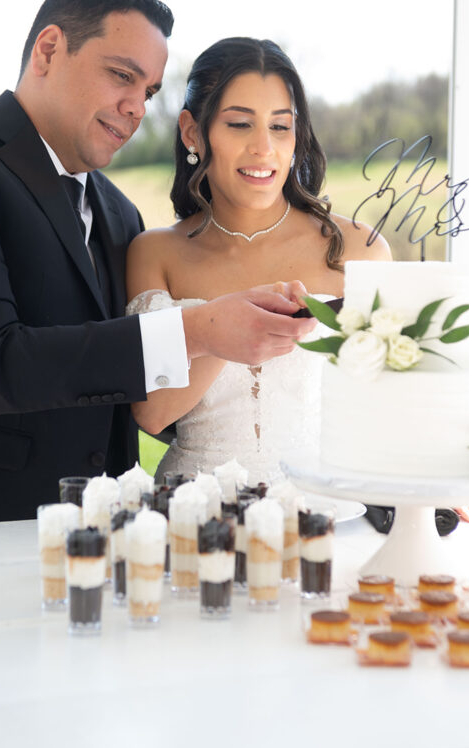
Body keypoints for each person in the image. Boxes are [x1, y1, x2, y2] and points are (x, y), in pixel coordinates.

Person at [0, 0, 316, 524]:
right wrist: (203, 330)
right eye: (122, 75)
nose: (136, 107)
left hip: (108, 534)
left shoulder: (120, 214)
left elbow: (130, 396)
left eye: (147, 92)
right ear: (49, 50)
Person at [125, 37, 392, 484]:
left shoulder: (359, 249)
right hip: (192, 512)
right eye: (239, 125)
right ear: (193, 132)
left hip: (322, 509)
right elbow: (152, 413)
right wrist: (222, 330)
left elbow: (390, 405)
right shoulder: (155, 253)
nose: (264, 148)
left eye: (281, 127)